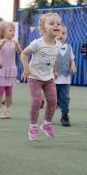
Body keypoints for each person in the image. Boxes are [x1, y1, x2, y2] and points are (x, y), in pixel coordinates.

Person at [21, 12, 62, 141]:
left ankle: (46, 123)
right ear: (43, 28)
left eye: (58, 24)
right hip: (34, 78)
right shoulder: (37, 43)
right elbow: (23, 54)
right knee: (37, 101)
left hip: (49, 78)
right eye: (52, 23)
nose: (56, 25)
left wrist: (54, 71)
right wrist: (26, 69)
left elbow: (54, 59)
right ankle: (33, 126)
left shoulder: (58, 44)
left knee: (53, 102)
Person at [0, 21, 22, 119]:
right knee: (0, 90)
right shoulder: (0, 42)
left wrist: (17, 45)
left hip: (11, 69)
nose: (12, 32)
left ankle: (7, 109)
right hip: (2, 69)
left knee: (9, 91)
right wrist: (1, 43)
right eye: (10, 30)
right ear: (3, 33)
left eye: (13, 30)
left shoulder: (14, 43)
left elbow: (20, 53)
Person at [55, 25, 77, 127]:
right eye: (58, 33)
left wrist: (73, 66)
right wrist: (52, 71)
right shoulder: (51, 47)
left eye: (63, 33)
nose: (61, 35)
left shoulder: (69, 47)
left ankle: (65, 116)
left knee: (65, 98)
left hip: (65, 78)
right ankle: (49, 115)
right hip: (53, 78)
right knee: (52, 98)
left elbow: (71, 59)